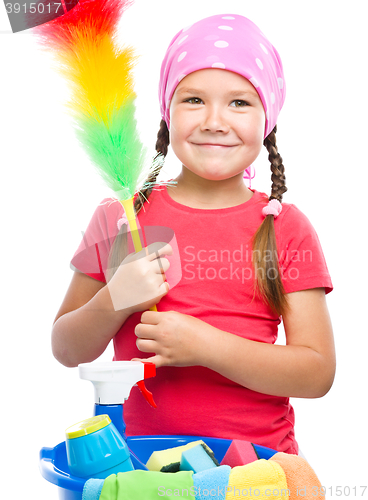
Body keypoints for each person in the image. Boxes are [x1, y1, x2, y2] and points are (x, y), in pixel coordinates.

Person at [52, 14, 335, 455]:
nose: (215, 121)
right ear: (168, 110)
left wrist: (206, 345)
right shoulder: (121, 217)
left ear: (269, 118)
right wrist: (114, 299)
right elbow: (66, 348)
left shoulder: (284, 228)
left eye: (240, 103)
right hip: (136, 467)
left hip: (254, 471)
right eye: (194, 99)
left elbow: (317, 374)